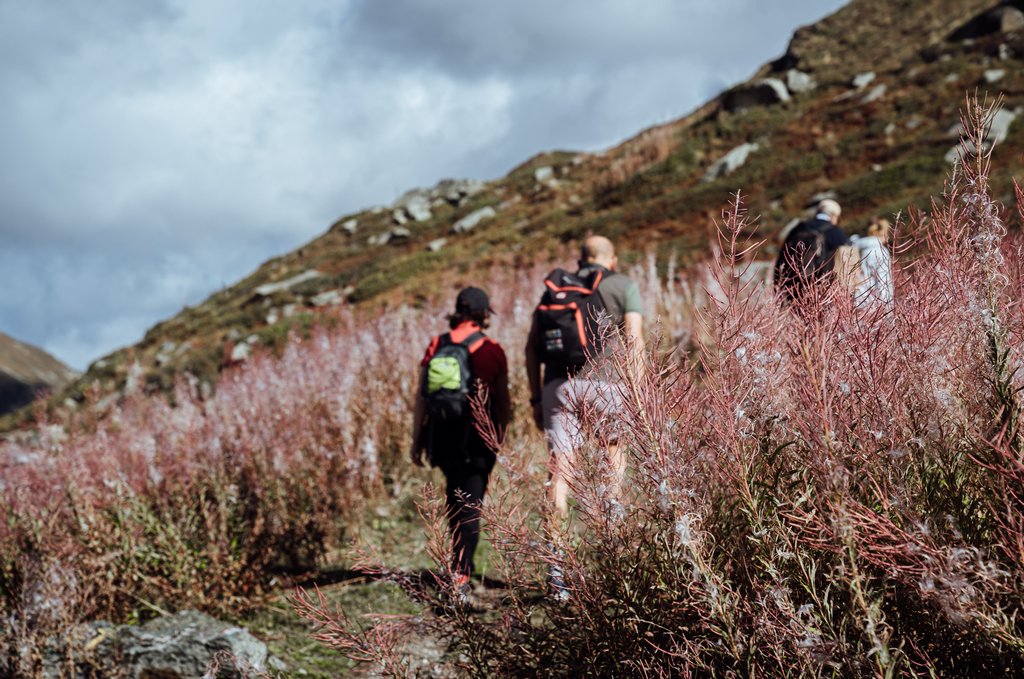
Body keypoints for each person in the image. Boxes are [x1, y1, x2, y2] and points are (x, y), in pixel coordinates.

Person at [524, 235, 645, 522]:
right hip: (608, 386)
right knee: (612, 462)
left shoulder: (556, 290)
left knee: (559, 473)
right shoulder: (622, 285)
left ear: (580, 261)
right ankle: (614, 548)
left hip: (559, 387)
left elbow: (531, 349)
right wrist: (638, 393)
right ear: (612, 260)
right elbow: (634, 340)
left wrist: (536, 399)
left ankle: (558, 560)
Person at [410, 287, 511, 598]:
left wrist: (417, 440)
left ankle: (456, 565)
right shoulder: (491, 349)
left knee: (455, 499)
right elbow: (503, 399)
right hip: (476, 438)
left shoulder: (436, 345)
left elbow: (421, 398)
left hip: (440, 435)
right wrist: (500, 435)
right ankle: (461, 576)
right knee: (471, 505)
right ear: (483, 314)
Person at [773, 199, 850, 304]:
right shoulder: (835, 232)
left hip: (794, 282)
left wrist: (778, 283)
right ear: (833, 215)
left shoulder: (799, 227)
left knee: (797, 317)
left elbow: (783, 254)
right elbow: (846, 259)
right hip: (820, 285)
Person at [849, 217, 894, 308]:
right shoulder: (880, 251)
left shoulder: (853, 246)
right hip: (873, 301)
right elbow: (883, 281)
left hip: (856, 296)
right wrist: (888, 307)